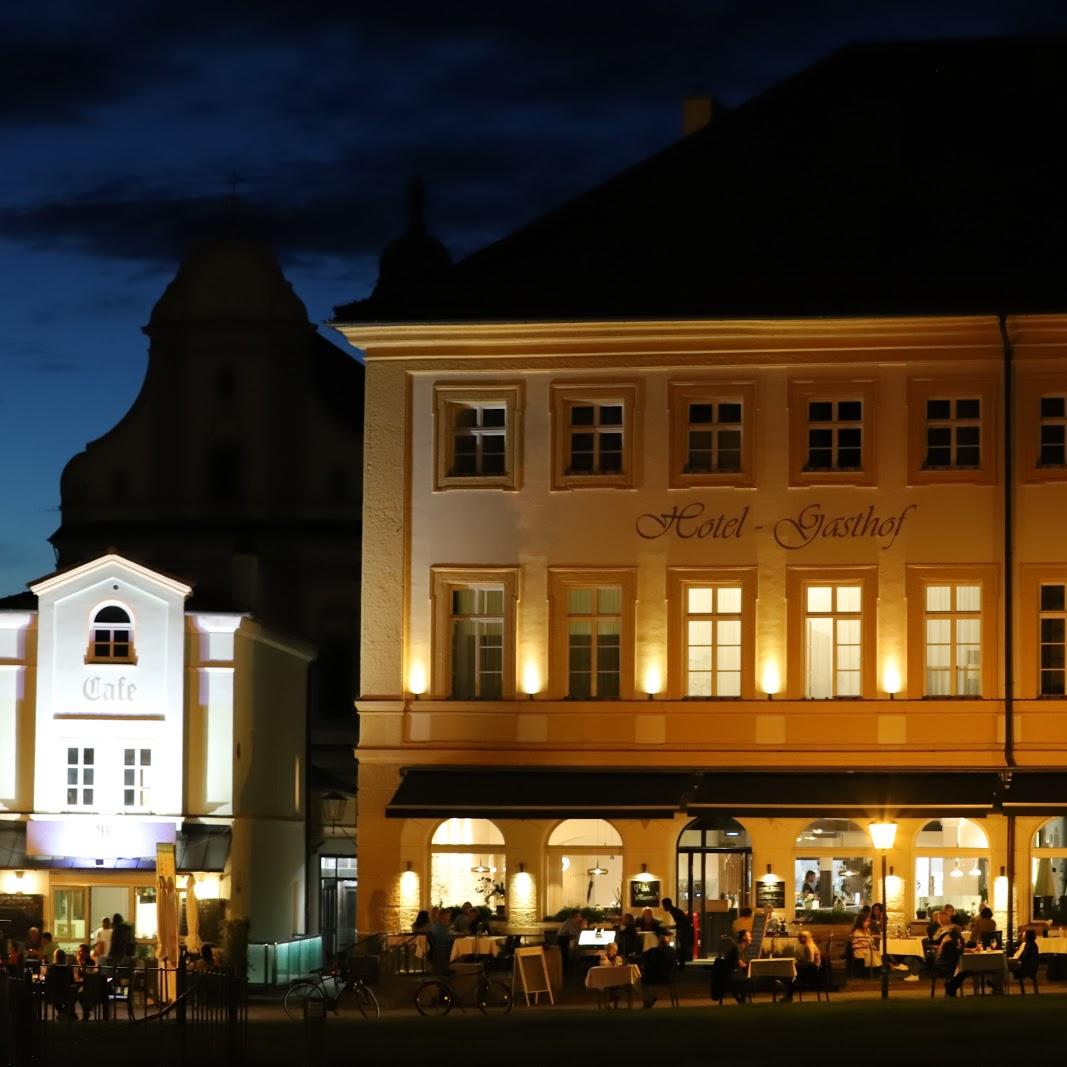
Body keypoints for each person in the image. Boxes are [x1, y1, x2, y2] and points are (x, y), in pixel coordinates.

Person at [641, 933, 678, 1008]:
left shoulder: (654, 951)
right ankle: (650, 998)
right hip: (669, 977)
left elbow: (644, 957)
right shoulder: (673, 952)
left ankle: (648, 999)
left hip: (656, 977)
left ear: (659, 942)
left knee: (640, 980)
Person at [660, 897, 692, 968]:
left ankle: (681, 964)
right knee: (682, 947)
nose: (663, 908)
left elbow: (680, 923)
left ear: (667, 905)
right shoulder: (675, 910)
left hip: (684, 931)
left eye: (663, 905)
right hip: (684, 930)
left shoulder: (674, 911)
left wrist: (669, 926)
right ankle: (681, 963)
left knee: (681, 947)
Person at [723, 929, 752, 1003]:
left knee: (748, 978)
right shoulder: (737, 948)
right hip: (731, 974)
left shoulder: (743, 948)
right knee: (748, 980)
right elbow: (740, 964)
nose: (751, 938)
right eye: (749, 936)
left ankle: (741, 1001)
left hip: (735, 973)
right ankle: (741, 1001)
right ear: (744, 938)